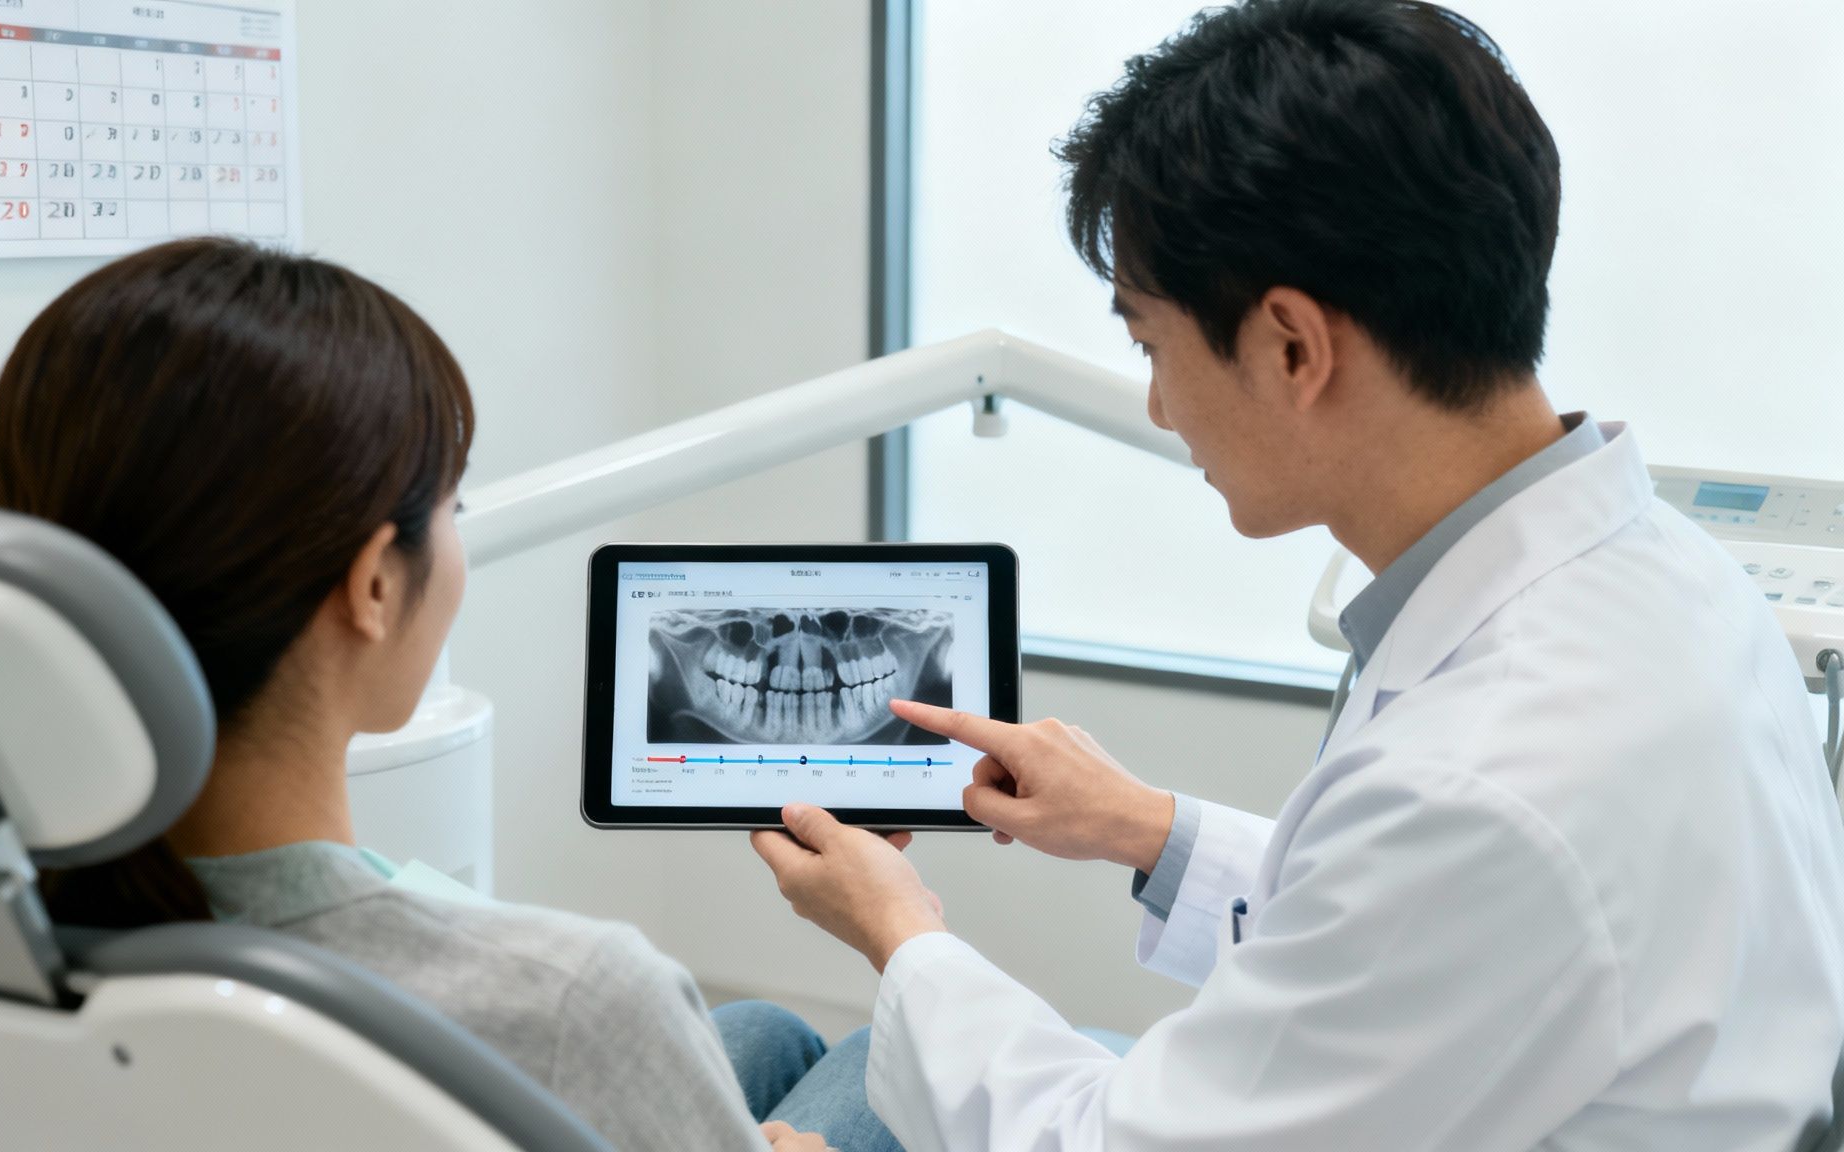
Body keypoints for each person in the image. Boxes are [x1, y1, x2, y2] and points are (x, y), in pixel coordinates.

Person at [748, 0, 1844, 1147]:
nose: (1158, 407)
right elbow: (1413, 948)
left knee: (807, 1058)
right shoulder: (1674, 575)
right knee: (792, 1048)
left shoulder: (1482, 784)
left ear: (1290, 345)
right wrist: (1147, 828)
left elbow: (1114, 1138)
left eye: (1149, 345)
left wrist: (899, 930)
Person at [0, 237, 878, 1152]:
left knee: (761, 1033)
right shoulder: (572, 1001)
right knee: (882, 1058)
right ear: (373, 584)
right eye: (455, 508)